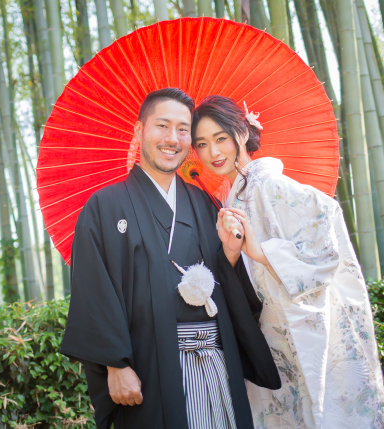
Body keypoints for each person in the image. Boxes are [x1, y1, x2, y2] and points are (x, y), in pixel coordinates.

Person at [60, 88, 281, 429]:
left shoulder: (205, 203)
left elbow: (230, 290)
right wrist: (115, 366)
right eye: (162, 126)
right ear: (139, 131)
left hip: (217, 361)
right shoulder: (104, 207)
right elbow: (94, 292)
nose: (172, 138)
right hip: (150, 366)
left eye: (182, 130)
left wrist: (231, 255)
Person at [192, 95, 384, 429]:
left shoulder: (270, 184)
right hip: (273, 332)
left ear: (242, 133)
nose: (214, 152)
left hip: (303, 321)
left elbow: (324, 234)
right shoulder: (234, 194)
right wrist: (231, 252)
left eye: (221, 138)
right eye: (202, 144)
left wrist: (261, 251)